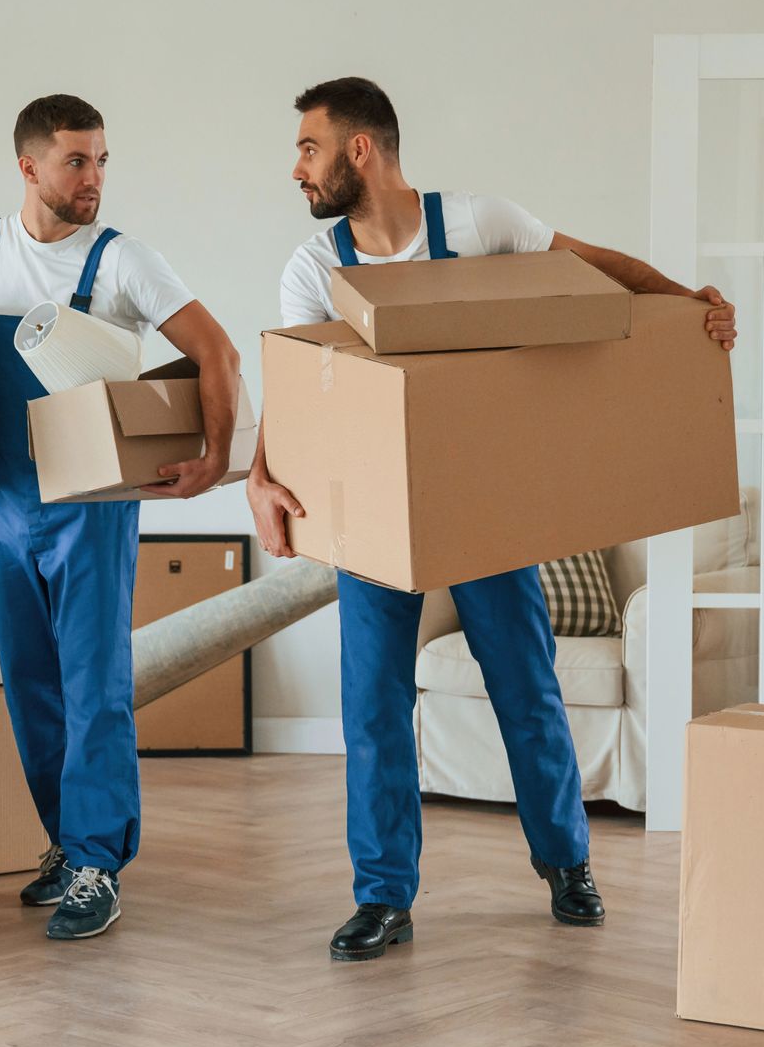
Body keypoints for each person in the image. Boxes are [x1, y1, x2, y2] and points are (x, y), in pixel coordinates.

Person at [247, 77, 737, 962]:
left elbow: (598, 272)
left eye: (309, 148)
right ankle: (384, 897)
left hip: (484, 508)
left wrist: (690, 306)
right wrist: (260, 478)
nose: (297, 169)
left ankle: (566, 865)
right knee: (373, 708)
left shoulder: (476, 225)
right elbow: (300, 393)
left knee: (527, 688)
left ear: (362, 150)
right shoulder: (313, 270)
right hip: (377, 519)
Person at [0, 93, 243, 940]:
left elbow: (217, 352)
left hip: (92, 508)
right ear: (29, 167)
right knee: (30, 685)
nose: (93, 179)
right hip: (6, 503)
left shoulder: (124, 262)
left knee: (96, 687)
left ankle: (100, 862)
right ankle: (63, 840)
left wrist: (214, 461)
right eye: (75, 162)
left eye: (100, 162)